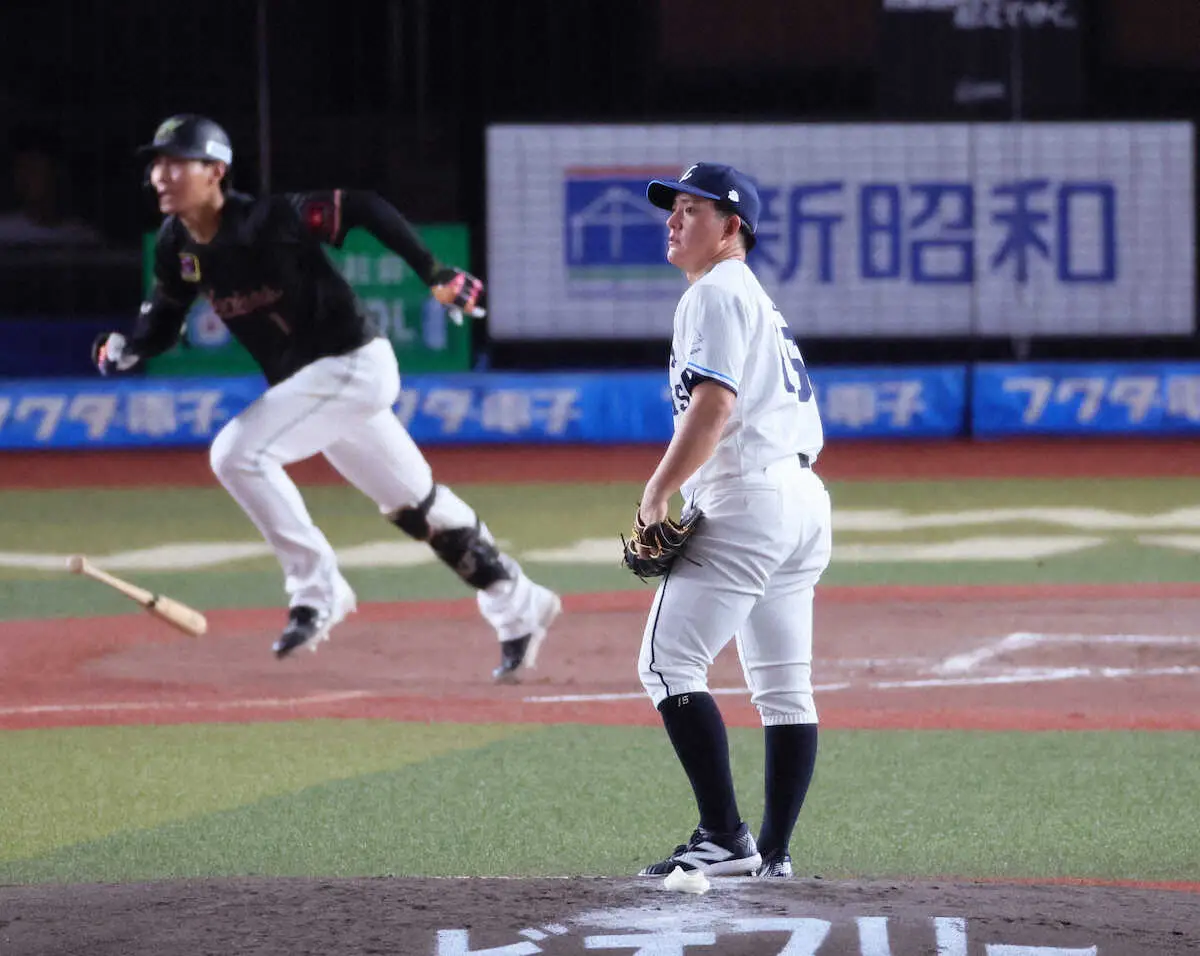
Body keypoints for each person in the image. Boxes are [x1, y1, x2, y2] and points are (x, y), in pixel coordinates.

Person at [91, 114, 560, 680]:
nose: (160, 175)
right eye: (156, 164)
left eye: (175, 162)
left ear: (216, 171)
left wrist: (433, 271)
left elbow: (363, 207)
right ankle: (520, 603)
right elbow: (164, 321)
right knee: (417, 507)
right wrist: (128, 348)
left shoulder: (269, 219)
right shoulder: (177, 246)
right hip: (315, 388)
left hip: (353, 365)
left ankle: (317, 588)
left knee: (237, 454)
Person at [632, 163, 832, 879]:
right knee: (784, 687)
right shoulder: (752, 297)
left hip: (749, 497)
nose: (674, 220)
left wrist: (657, 494)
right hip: (803, 499)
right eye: (673, 209)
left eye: (692, 210)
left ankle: (723, 836)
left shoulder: (715, 292)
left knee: (665, 663)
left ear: (733, 225)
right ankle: (773, 854)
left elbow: (712, 408)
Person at [0, 125, 103, 246]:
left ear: (56, 171)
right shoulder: (4, 233)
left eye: (34, 167)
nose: (25, 177)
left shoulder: (83, 238)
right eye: (20, 168)